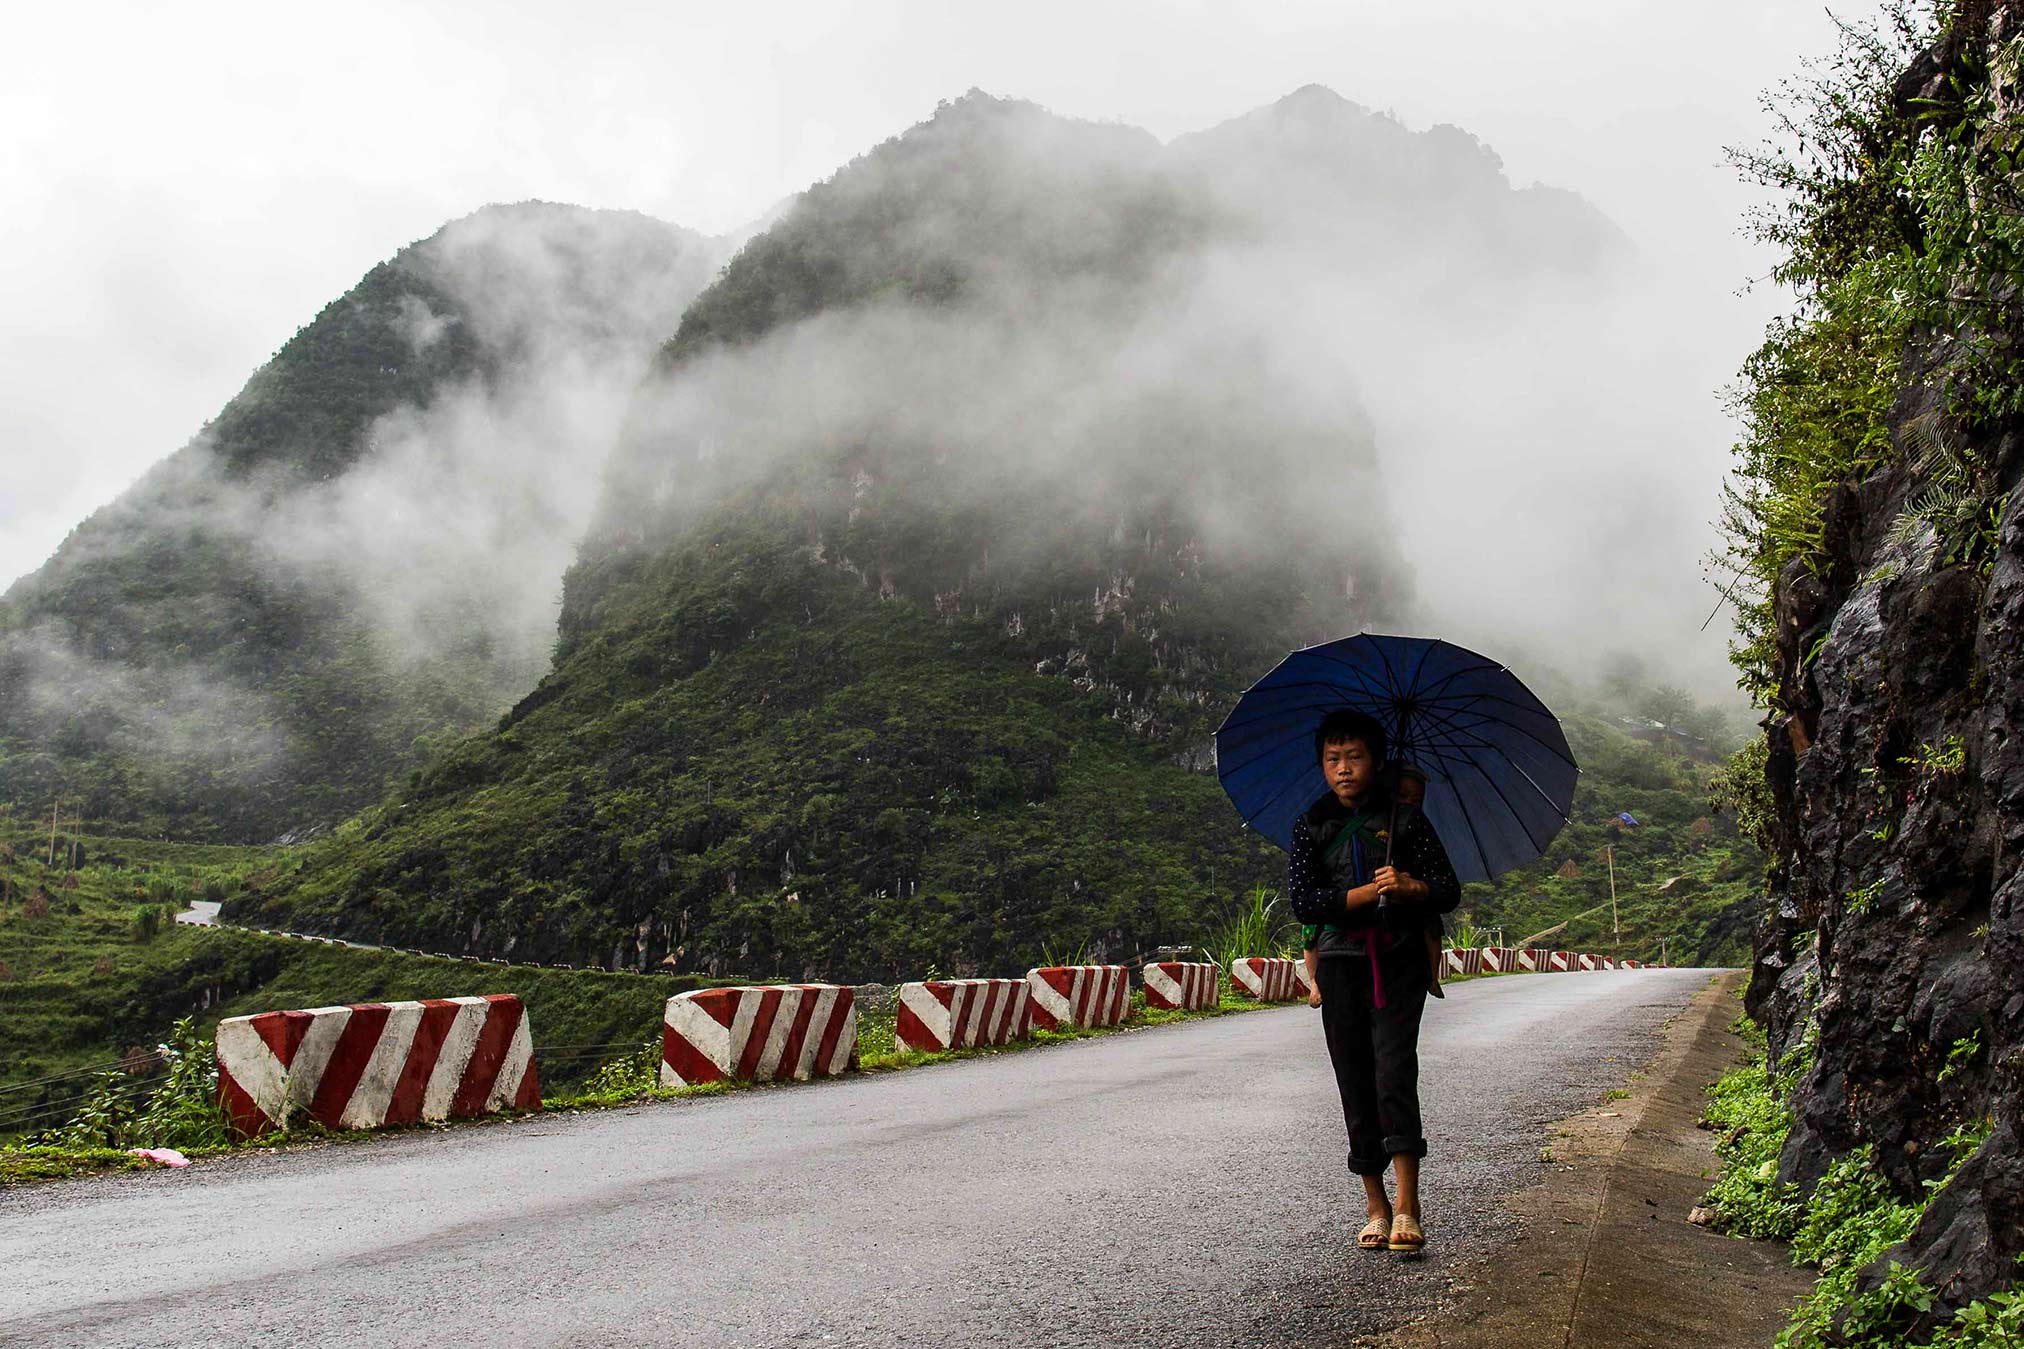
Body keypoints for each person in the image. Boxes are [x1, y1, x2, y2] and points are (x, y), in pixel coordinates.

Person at [1288, 709, 1461, 1254]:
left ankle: (1408, 1205)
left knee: (1393, 1071)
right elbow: (1304, 900)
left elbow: (1447, 889)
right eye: (1333, 759)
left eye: (1354, 757)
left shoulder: (1407, 821)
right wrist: (1360, 897)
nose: (1343, 769)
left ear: (1376, 761)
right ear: (1322, 765)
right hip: (1339, 964)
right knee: (1354, 1079)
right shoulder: (1311, 824)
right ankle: (1375, 1204)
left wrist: (1411, 886)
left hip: (1398, 959)